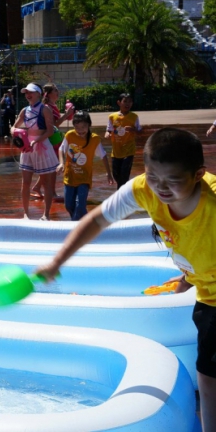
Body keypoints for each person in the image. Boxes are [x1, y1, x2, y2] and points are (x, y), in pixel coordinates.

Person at [35, 128, 216, 431]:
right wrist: (57, 261)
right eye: (154, 177)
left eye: (173, 180)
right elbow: (97, 219)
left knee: (208, 376)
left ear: (198, 174)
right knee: (208, 373)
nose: (161, 188)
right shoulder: (143, 189)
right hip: (205, 291)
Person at [12, 83, 58, 220]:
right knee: (25, 182)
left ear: (38, 94)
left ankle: (46, 214)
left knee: (46, 182)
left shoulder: (45, 110)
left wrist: (36, 141)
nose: (27, 94)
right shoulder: (24, 110)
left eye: (30, 92)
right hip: (27, 148)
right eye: (26, 92)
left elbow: (50, 131)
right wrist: (16, 133)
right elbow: (14, 126)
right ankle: (26, 214)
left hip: (42, 147)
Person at [56, 111, 114, 221]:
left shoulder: (94, 139)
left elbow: (103, 156)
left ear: (89, 125)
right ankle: (88, 222)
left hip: (84, 178)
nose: (80, 130)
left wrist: (109, 173)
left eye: (83, 127)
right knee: (69, 205)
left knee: (80, 205)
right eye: (77, 127)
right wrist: (61, 163)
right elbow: (61, 149)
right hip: (70, 177)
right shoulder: (70, 135)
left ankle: (75, 229)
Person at [32, 83, 74, 200]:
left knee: (51, 166)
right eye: (56, 91)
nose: (58, 93)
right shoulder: (48, 107)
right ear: (49, 94)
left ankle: (37, 186)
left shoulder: (52, 105)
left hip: (54, 139)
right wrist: (67, 115)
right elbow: (53, 125)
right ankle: (53, 193)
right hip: (50, 140)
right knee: (54, 167)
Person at [106, 92, 142, 189]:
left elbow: (140, 131)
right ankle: (126, 190)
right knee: (116, 175)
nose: (127, 104)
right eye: (125, 101)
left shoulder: (134, 116)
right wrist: (107, 134)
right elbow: (109, 129)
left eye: (130, 102)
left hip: (129, 151)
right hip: (116, 151)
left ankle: (120, 196)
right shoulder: (112, 117)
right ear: (119, 103)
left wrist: (133, 130)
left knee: (124, 175)